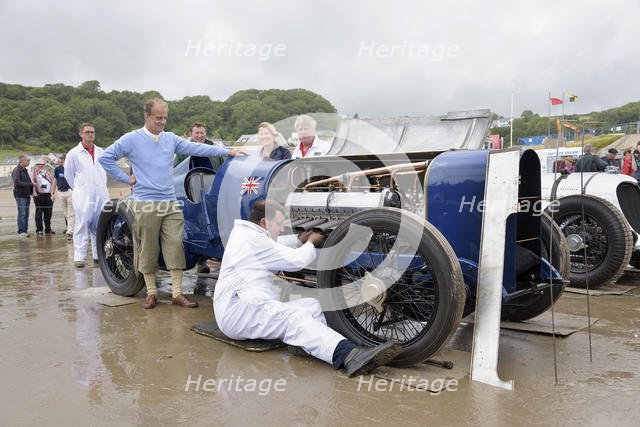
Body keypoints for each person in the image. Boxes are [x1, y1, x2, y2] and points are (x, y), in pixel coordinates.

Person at [213, 199, 401, 377]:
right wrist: (311, 242)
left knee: (312, 305)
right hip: (239, 311)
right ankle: (348, 355)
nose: (281, 228)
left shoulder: (250, 234)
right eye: (278, 224)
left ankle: (315, 345)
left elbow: (276, 244)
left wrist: (299, 238)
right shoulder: (253, 240)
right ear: (264, 222)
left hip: (248, 304)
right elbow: (296, 261)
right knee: (294, 319)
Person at [99, 98, 242, 309]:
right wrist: (124, 178)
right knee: (148, 247)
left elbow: (197, 148)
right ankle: (151, 293)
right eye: (158, 118)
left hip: (170, 201)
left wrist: (226, 152)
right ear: (147, 117)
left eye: (165, 118)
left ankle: (176, 293)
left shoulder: (170, 139)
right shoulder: (132, 139)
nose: (162, 122)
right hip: (145, 202)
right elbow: (106, 158)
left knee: (175, 244)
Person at [65, 123, 110, 268]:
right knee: (82, 223)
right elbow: (68, 174)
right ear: (81, 134)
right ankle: (80, 257)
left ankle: (98, 255)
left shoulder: (101, 152)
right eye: (87, 132)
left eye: (92, 132)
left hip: (101, 193)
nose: (90, 134)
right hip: (83, 194)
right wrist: (79, 188)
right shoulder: (74, 153)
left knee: (99, 224)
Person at [11, 155, 35, 237]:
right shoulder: (16, 170)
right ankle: (21, 232)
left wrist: (32, 192)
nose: (29, 162)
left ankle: (25, 230)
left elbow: (28, 182)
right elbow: (17, 182)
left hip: (27, 195)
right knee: (22, 213)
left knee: (26, 214)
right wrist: (31, 184)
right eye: (27, 161)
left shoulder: (25, 170)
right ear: (22, 161)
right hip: (20, 195)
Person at [31, 157, 56, 235]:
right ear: (36, 165)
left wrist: (53, 193)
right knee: (39, 213)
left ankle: (48, 229)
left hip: (48, 195)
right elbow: (32, 184)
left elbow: (53, 182)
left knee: (48, 213)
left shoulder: (47, 173)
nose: (41, 166)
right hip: (38, 195)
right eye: (39, 164)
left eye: (42, 164)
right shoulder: (33, 174)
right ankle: (39, 230)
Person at [53, 153, 75, 240]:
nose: (59, 161)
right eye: (59, 159)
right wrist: (52, 192)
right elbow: (55, 180)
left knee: (71, 213)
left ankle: (70, 231)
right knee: (65, 213)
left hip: (70, 192)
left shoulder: (71, 168)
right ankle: (72, 228)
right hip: (60, 192)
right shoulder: (57, 169)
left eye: (61, 159)